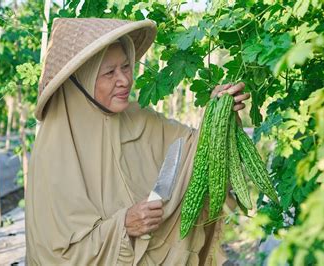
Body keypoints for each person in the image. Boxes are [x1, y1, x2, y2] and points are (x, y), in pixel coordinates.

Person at [26, 18, 250, 265]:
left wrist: (220, 114)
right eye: (110, 72)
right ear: (81, 80)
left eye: (126, 67)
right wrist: (123, 226)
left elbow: (198, 151)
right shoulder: (54, 155)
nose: (124, 80)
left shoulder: (139, 120)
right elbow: (55, 254)